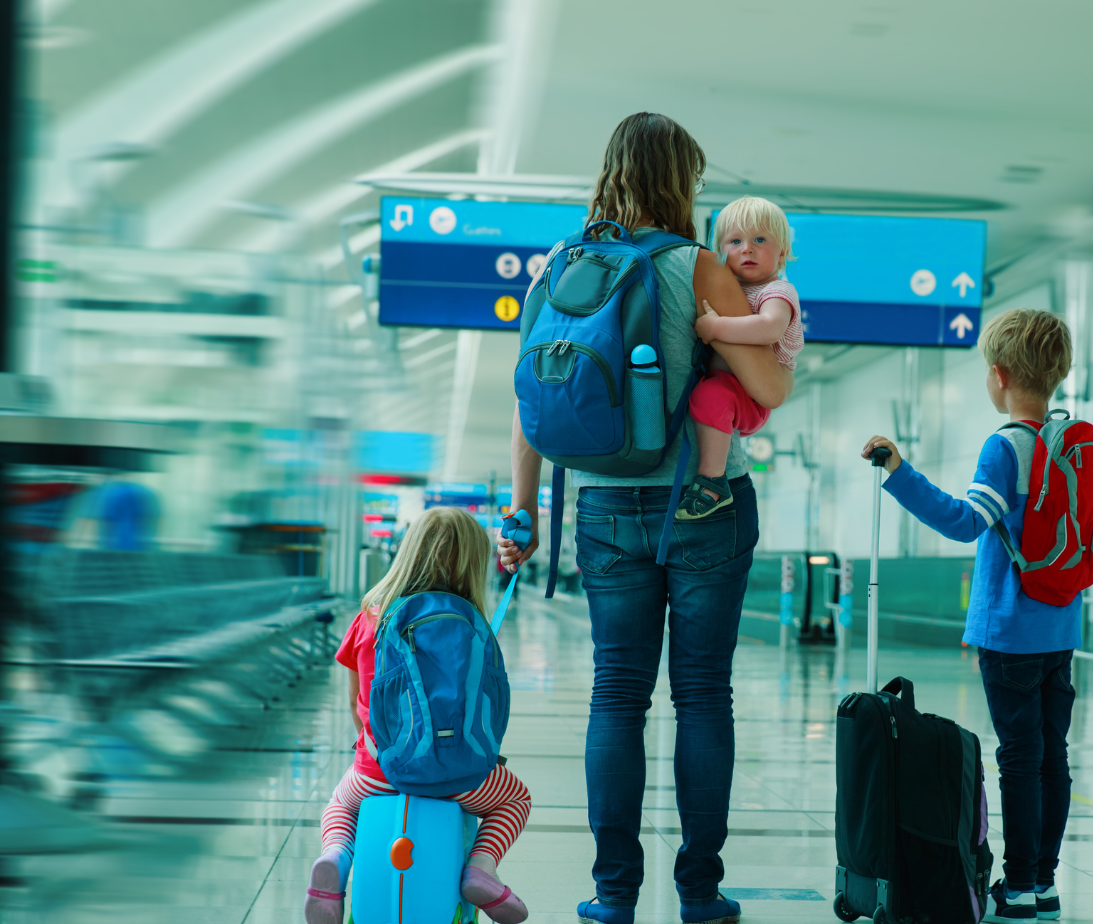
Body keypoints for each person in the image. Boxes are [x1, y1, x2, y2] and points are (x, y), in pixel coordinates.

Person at [500, 113, 793, 924]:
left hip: (602, 504)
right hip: (706, 505)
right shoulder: (698, 266)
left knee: (617, 694)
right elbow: (768, 389)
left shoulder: (559, 265)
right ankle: (699, 893)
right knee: (702, 695)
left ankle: (612, 894)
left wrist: (523, 510)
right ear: (680, 182)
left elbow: (529, 397)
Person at [860, 308, 1079, 924]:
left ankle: (1020, 886)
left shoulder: (1004, 447)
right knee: (1052, 756)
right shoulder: (1071, 443)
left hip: (1010, 631)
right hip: (1061, 627)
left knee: (1020, 757)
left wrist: (898, 472)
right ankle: (1044, 883)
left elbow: (964, 522)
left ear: (1000, 375)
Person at [306, 507, 532, 924]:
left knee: (341, 804)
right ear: (472, 563)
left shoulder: (369, 616)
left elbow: (356, 704)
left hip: (378, 773)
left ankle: (335, 857)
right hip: (461, 779)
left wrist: (375, 747)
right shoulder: (471, 623)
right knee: (516, 799)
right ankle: (481, 867)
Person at [679, 196, 805, 520]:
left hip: (750, 396)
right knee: (707, 394)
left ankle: (712, 481)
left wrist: (716, 326)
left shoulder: (776, 291)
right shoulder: (729, 285)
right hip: (729, 383)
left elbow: (769, 328)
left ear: (782, 252)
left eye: (759, 240)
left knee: (711, 395)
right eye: (735, 242)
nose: (747, 249)